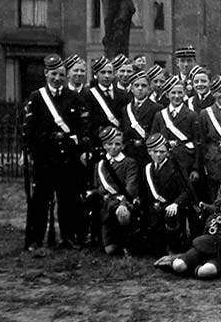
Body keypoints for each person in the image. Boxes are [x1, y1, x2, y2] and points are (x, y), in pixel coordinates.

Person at [23, 54, 87, 252]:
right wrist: (27, 152)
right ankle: (35, 239)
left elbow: (81, 127)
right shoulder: (37, 97)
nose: (57, 78)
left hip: (67, 158)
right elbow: (29, 129)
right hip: (45, 158)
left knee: (67, 200)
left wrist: (81, 150)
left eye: (60, 74)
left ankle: (68, 237)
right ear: (46, 74)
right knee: (40, 201)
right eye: (53, 74)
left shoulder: (73, 97)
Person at [88, 126, 140, 256]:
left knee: (123, 214)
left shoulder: (129, 163)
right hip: (107, 204)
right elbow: (99, 186)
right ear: (104, 146)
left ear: (123, 146)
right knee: (110, 250)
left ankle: (127, 244)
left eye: (117, 144)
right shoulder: (100, 164)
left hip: (122, 202)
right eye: (109, 144)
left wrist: (123, 203)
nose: (113, 147)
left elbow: (131, 187)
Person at [141, 133, 191, 256]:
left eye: (162, 151)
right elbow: (145, 193)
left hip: (172, 206)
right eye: (155, 151)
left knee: (171, 216)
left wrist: (175, 204)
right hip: (155, 208)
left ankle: (174, 247)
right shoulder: (148, 168)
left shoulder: (175, 167)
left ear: (167, 152)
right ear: (149, 152)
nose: (158, 155)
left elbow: (186, 191)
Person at [150, 78, 200, 189]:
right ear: (167, 95)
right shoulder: (160, 115)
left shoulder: (192, 115)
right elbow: (153, 141)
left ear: (184, 94)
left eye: (180, 92)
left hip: (186, 161)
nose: (176, 96)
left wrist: (195, 168)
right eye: (173, 93)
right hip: (165, 160)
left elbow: (197, 143)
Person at [121, 70, 162, 169]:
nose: (140, 89)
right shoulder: (126, 109)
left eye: (143, 86)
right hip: (129, 153)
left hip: (147, 153)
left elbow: (157, 132)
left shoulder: (157, 108)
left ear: (149, 88)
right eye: (136, 85)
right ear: (131, 88)